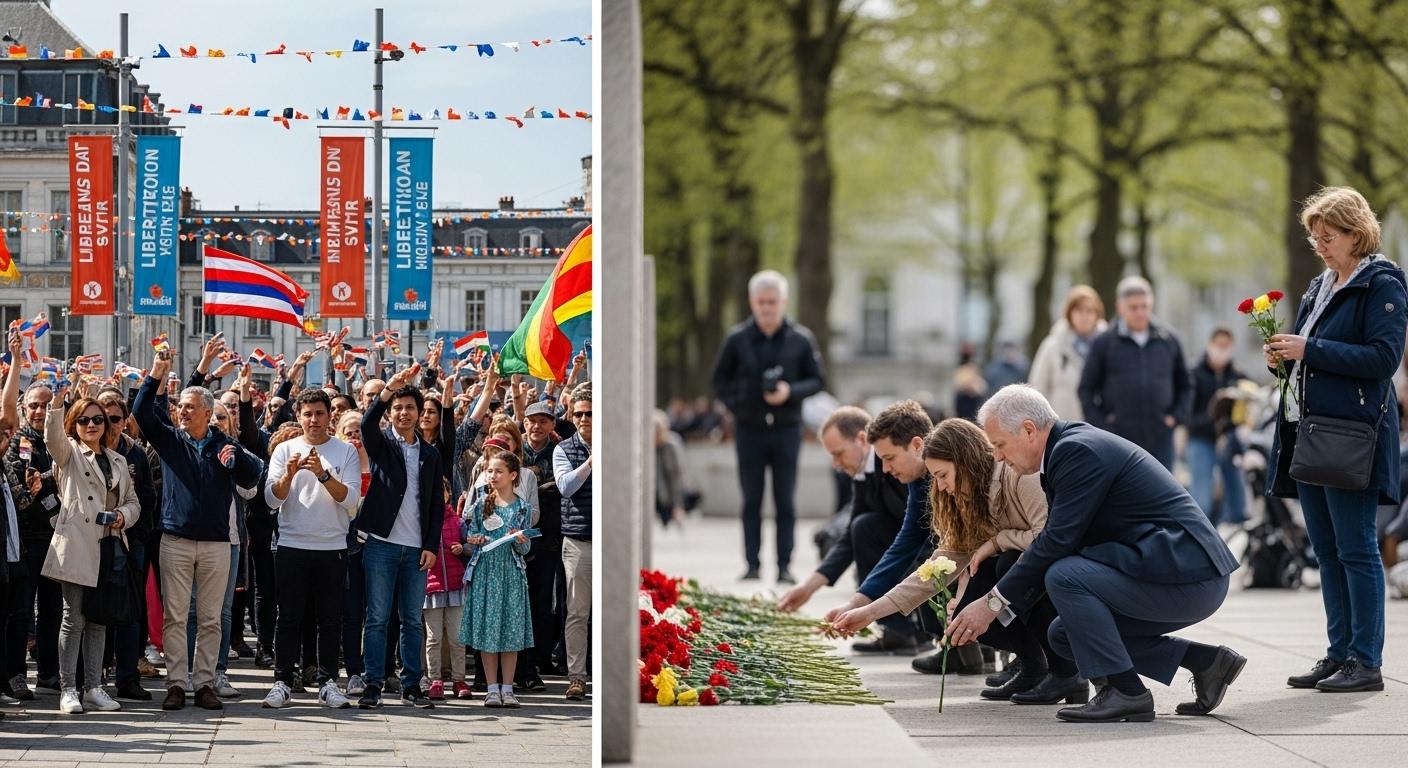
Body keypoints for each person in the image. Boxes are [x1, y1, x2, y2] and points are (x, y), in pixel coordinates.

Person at [947, 385, 1243, 723]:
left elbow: (1056, 542)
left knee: (1066, 575)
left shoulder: (1076, 451)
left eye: (999, 445)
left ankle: (1126, 692)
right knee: (1063, 635)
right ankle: (1206, 663)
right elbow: (1056, 542)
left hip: (1193, 576)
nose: (998, 457)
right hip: (1168, 571)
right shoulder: (1065, 449)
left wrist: (991, 604)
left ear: (1028, 430)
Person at [1266, 186, 1407, 693]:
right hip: (1312, 431)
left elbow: (1381, 361)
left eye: (1329, 237)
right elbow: (1312, 356)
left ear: (1356, 233)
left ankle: (1366, 662)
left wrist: (1311, 347)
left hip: (1353, 436)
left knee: (1357, 548)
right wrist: (1285, 358)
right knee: (1325, 550)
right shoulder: (1320, 285)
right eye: (1316, 239)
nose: (1321, 246)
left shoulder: (1382, 284)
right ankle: (1338, 652)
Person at [832, 418, 1077, 703]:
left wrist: (998, 541)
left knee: (1004, 564)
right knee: (961, 609)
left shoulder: (1020, 476)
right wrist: (870, 612)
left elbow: (1048, 539)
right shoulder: (966, 497)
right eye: (934, 477)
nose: (941, 486)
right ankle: (1034, 666)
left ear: (966, 461)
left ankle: (1066, 672)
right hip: (1024, 575)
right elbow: (938, 565)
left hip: (1058, 573)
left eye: (943, 475)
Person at [134, 349, 263, 712]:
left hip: (216, 545)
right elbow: (142, 414)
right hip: (175, 540)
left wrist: (236, 462)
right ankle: (177, 683)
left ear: (208, 413)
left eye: (191, 407)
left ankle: (204, 682)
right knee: (176, 616)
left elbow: (254, 478)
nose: (182, 411)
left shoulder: (226, 445)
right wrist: (155, 374)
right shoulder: (172, 441)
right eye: (181, 407)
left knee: (209, 618)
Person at [823, 401, 987, 675]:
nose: (885, 469)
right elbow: (907, 541)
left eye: (889, 458)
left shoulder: (964, 472)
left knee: (934, 565)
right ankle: (956, 647)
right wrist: (860, 606)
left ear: (916, 445)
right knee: (927, 564)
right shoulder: (917, 480)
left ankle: (993, 649)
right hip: (958, 555)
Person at [710, 269, 826, 583]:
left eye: (772, 302)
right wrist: (742, 404)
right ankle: (752, 564)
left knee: (785, 499)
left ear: (783, 302)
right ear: (752, 302)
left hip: (787, 428)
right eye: (761, 302)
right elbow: (718, 381)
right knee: (751, 499)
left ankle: (785, 566)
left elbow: (818, 379)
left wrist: (791, 392)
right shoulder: (737, 339)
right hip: (749, 429)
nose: (767, 308)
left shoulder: (801, 339)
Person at [777, 406, 915, 652]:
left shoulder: (897, 465)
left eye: (839, 454)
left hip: (919, 547)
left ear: (862, 439)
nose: (836, 464)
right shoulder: (864, 473)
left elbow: (914, 531)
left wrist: (859, 604)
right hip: (902, 545)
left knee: (867, 529)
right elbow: (849, 537)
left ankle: (912, 630)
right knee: (862, 527)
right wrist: (808, 587)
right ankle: (897, 630)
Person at [42, 388, 141, 714]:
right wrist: (57, 404)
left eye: (98, 419)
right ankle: (68, 688)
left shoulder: (118, 460)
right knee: (74, 618)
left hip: (109, 545)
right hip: (77, 545)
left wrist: (122, 516)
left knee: (99, 619)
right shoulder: (69, 453)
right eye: (84, 420)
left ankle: (95, 687)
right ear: (75, 424)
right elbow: (52, 437)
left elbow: (133, 503)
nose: (92, 425)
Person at [261, 390, 361, 709]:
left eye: (319, 413)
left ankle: (328, 681)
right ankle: (282, 680)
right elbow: (271, 500)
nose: (314, 420)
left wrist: (322, 474)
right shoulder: (285, 450)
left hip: (332, 547)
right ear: (299, 415)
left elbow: (350, 502)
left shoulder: (344, 451)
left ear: (330, 415)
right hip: (292, 545)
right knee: (288, 617)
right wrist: (290, 474)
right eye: (308, 414)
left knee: (330, 619)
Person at [356, 364, 444, 710]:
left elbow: (436, 503)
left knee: (411, 620)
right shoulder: (382, 445)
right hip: (380, 544)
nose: (404, 413)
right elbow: (366, 425)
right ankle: (373, 684)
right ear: (390, 413)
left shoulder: (430, 454)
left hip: (416, 550)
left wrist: (430, 546)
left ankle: (412, 686)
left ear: (421, 414)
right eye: (398, 408)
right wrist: (387, 391)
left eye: (410, 408)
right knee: (377, 618)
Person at [1078, 276, 1192, 469]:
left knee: (1161, 497)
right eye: (1133, 307)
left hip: (1161, 439)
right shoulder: (1104, 343)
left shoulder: (1169, 340)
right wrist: (1103, 425)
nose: (1140, 312)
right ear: (1120, 307)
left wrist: (1175, 417)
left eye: (1144, 306)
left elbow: (1186, 385)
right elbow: (1085, 389)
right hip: (1118, 440)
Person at [94, 392, 159, 703]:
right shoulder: (85, 451)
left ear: (125, 421)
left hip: (131, 541)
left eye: (115, 419)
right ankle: (95, 675)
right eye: (100, 418)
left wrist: (139, 532)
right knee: (94, 610)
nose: (109, 425)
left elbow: (147, 497)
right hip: (93, 542)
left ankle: (127, 677)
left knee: (131, 610)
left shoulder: (135, 454)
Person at [457, 452, 535, 708]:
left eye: (499, 471)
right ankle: (491, 687)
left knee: (510, 630)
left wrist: (521, 541)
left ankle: (508, 687)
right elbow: (470, 534)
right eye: (490, 471)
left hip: (510, 573)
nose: (493, 476)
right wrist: (474, 539)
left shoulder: (523, 507)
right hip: (486, 572)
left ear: (513, 475)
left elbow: (525, 549)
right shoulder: (481, 503)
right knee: (488, 629)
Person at [4, 381, 63, 696]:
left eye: (45, 405)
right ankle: (15, 675)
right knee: (22, 610)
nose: (40, 411)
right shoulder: (20, 440)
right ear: (24, 408)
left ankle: (48, 673)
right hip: (27, 539)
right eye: (34, 406)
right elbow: (24, 475)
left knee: (53, 609)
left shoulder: (58, 438)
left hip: (57, 538)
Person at [0, 339, 42, 710]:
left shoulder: (6, 466)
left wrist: (16, 361)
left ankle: (11, 677)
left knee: (14, 620)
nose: (6, 436)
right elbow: (9, 412)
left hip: (14, 557)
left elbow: (8, 416)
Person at [1188, 328, 1248, 528]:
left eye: (1226, 346)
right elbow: (1187, 413)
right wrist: (1213, 417)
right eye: (1218, 345)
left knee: (1234, 498)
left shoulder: (1238, 375)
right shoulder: (1194, 374)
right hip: (1201, 440)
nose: (1222, 351)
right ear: (1209, 345)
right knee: (1201, 497)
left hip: (1229, 443)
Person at [555, 381, 593, 701]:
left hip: (607, 540)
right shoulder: (563, 449)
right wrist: (592, 462)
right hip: (578, 542)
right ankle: (577, 676)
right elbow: (566, 486)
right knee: (577, 612)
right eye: (579, 414)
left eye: (590, 414)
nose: (583, 420)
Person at [1029, 285, 1107, 420]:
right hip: (1062, 426)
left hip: (1099, 427)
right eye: (1079, 310)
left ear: (1097, 314)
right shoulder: (1052, 346)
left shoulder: (1108, 345)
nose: (1084, 316)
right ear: (1069, 313)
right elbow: (1037, 387)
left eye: (1089, 311)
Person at [423, 486, 469, 701]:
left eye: (442, 491)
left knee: (457, 637)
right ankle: (435, 679)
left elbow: (471, 546)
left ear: (448, 494)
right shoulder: (420, 521)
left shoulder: (457, 521)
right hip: (431, 587)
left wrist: (463, 548)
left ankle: (459, 679)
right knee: (433, 637)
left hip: (456, 585)